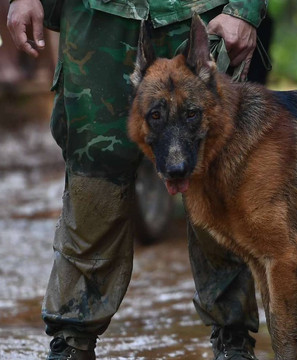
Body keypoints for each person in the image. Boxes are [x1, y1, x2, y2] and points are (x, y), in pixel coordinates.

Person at [6, 0, 269, 359]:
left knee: (220, 181)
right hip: (97, 20)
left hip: (200, 14)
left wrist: (244, 9)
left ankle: (233, 339)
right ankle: (72, 342)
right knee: (93, 181)